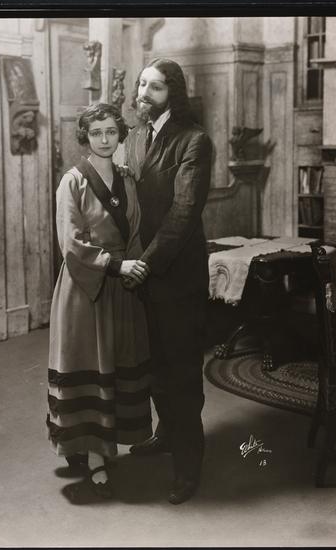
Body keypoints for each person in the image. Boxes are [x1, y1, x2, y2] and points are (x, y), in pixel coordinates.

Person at [46, 103, 152, 499]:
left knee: (117, 363)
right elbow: (71, 243)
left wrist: (135, 268)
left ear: (120, 134)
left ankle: (104, 445)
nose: (104, 139)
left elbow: (136, 231)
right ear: (85, 137)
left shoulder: (127, 179)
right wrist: (115, 266)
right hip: (86, 286)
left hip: (123, 287)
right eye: (96, 133)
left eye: (111, 131)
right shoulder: (72, 182)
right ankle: (93, 456)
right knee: (90, 365)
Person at [124, 58, 213, 504]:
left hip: (177, 277)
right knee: (155, 367)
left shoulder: (195, 140)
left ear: (173, 93)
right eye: (142, 84)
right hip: (144, 273)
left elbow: (183, 212)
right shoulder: (136, 137)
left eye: (155, 87)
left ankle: (188, 466)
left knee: (181, 375)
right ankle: (165, 434)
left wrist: (145, 262)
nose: (144, 93)